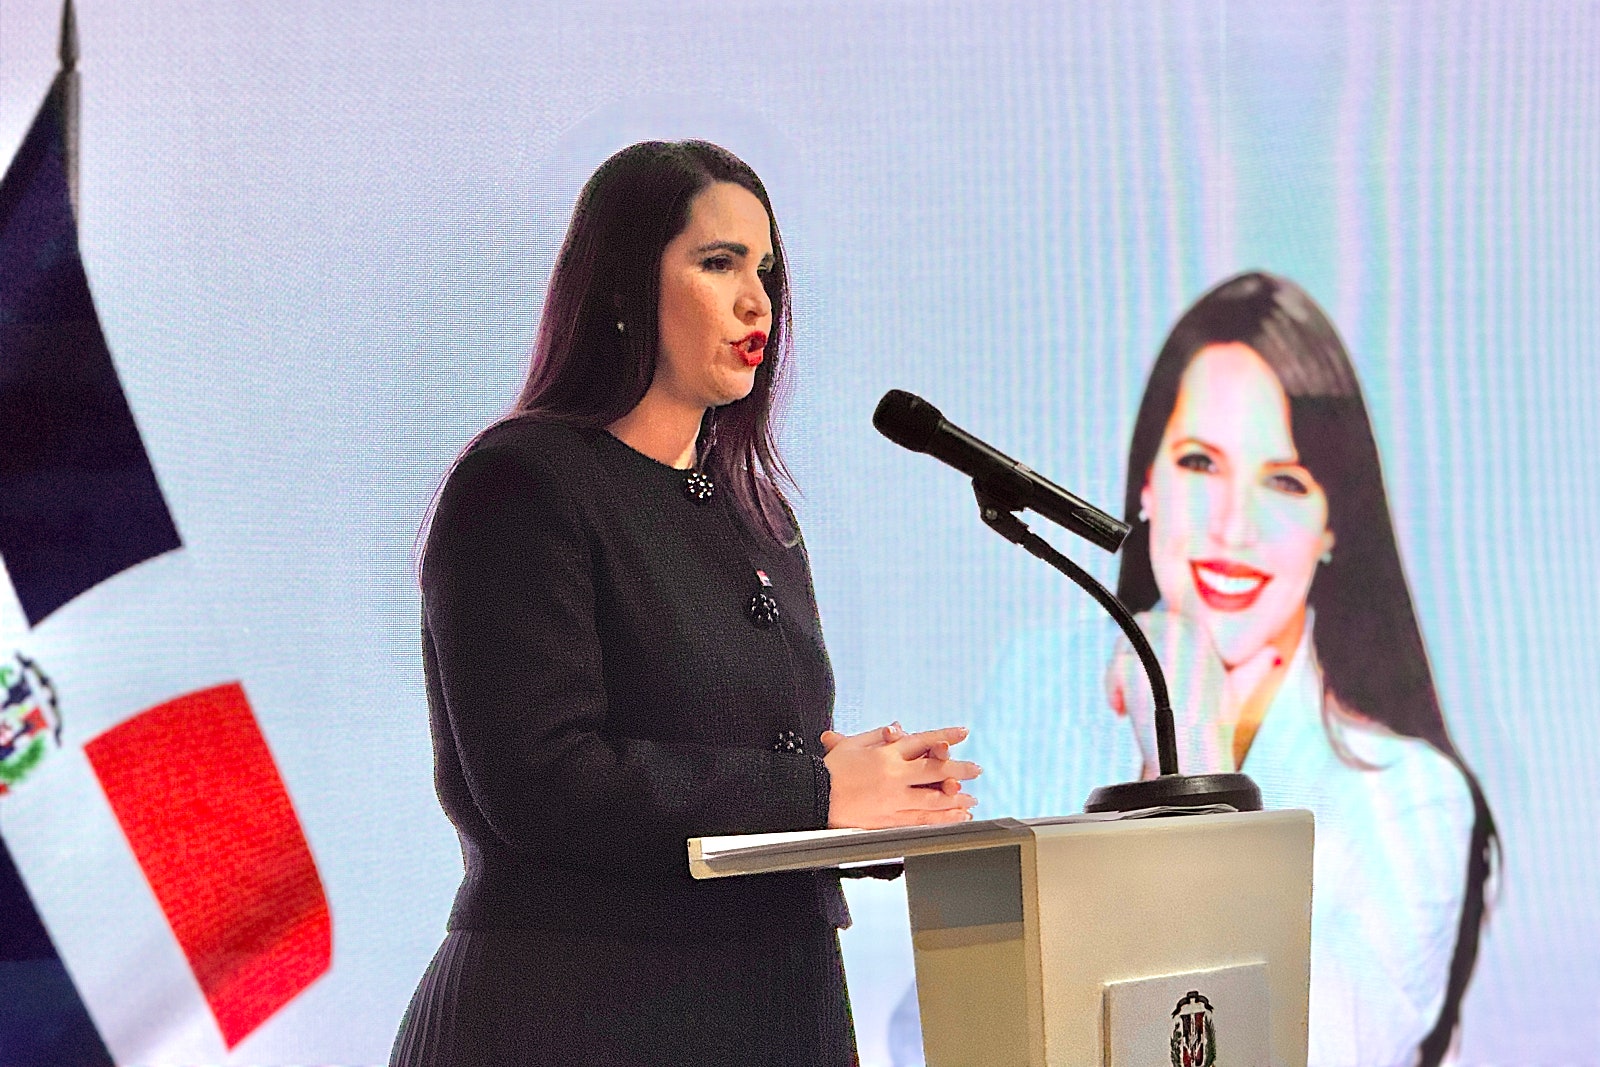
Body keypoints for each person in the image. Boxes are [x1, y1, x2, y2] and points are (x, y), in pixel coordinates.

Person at [389, 140, 979, 1067]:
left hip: (776, 1009)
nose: (758, 303)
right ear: (623, 287)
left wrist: (877, 802)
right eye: (718, 263)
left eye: (766, 271)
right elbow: (542, 783)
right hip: (579, 1014)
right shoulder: (522, 484)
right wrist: (819, 792)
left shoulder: (758, 515)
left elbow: (745, 765)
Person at [1105, 271, 1497, 1066]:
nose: (1234, 526)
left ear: (1331, 524)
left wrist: (1190, 755)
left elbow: (1293, 1050)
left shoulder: (1413, 795)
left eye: (1284, 480)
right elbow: (933, 1030)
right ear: (1147, 480)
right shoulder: (1033, 692)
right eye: (1200, 463)